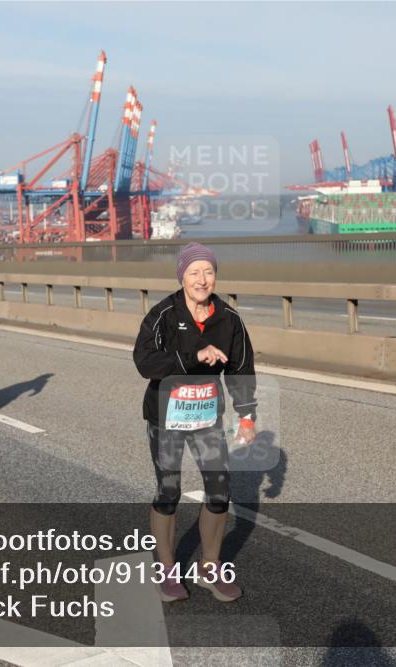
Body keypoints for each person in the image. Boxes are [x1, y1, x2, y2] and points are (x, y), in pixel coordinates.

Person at [133, 242, 257, 603]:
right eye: (194, 273)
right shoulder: (162, 315)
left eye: (208, 272)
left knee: (220, 492)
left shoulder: (229, 319)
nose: (202, 280)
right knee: (168, 492)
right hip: (166, 416)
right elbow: (144, 362)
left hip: (206, 418)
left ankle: (209, 568)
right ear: (182, 276)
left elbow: (241, 370)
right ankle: (168, 571)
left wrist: (247, 417)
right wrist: (193, 356)